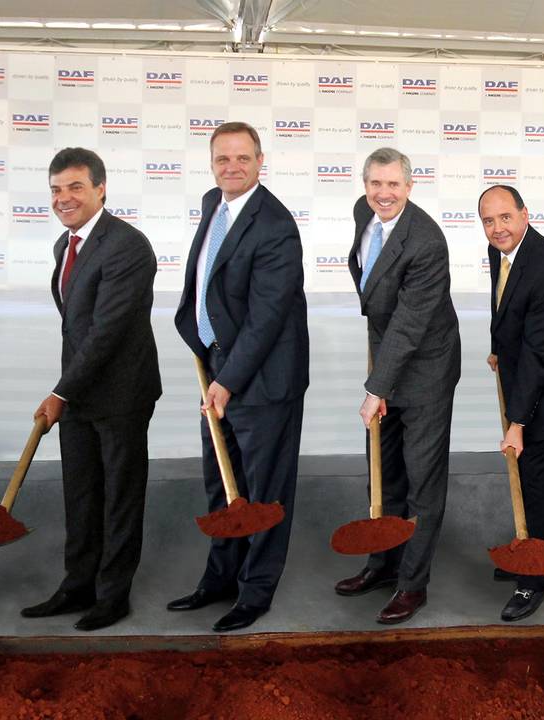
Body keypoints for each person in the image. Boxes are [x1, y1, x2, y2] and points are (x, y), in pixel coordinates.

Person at [168, 121, 310, 633]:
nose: (232, 167)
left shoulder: (275, 224)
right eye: (223, 159)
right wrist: (207, 356)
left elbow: (267, 316)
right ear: (212, 163)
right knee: (222, 486)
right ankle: (219, 578)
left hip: (263, 378)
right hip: (219, 368)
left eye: (242, 159)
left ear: (260, 160)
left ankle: (255, 592)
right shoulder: (214, 204)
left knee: (264, 494)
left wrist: (227, 379)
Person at [20, 147, 161, 632]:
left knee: (119, 496)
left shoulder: (127, 246)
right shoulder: (66, 245)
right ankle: (76, 585)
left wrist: (60, 392)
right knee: (80, 493)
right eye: (56, 189)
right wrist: (69, 391)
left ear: (101, 189)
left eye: (75, 187)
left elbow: (107, 331)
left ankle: (112, 595)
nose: (64, 198)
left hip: (121, 393)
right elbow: (75, 328)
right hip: (80, 391)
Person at [333, 147, 461, 625]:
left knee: (422, 480)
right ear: (365, 184)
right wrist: (379, 376)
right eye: (375, 184)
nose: (383, 194)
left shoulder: (426, 241)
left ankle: (412, 584)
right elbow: (374, 292)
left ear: (410, 186)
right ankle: (382, 563)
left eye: (393, 185)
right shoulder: (361, 212)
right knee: (383, 472)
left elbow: (410, 324)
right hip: (386, 355)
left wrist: (375, 388)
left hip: (426, 367)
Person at [480, 184, 544, 622]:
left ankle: (536, 580)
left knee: (543, 485)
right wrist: (497, 348)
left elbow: (542, 352)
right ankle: (529, 548)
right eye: (488, 220)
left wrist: (518, 421)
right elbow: (504, 308)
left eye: (506, 217)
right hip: (522, 376)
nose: (497, 227)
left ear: (525, 214)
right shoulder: (502, 251)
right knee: (525, 476)